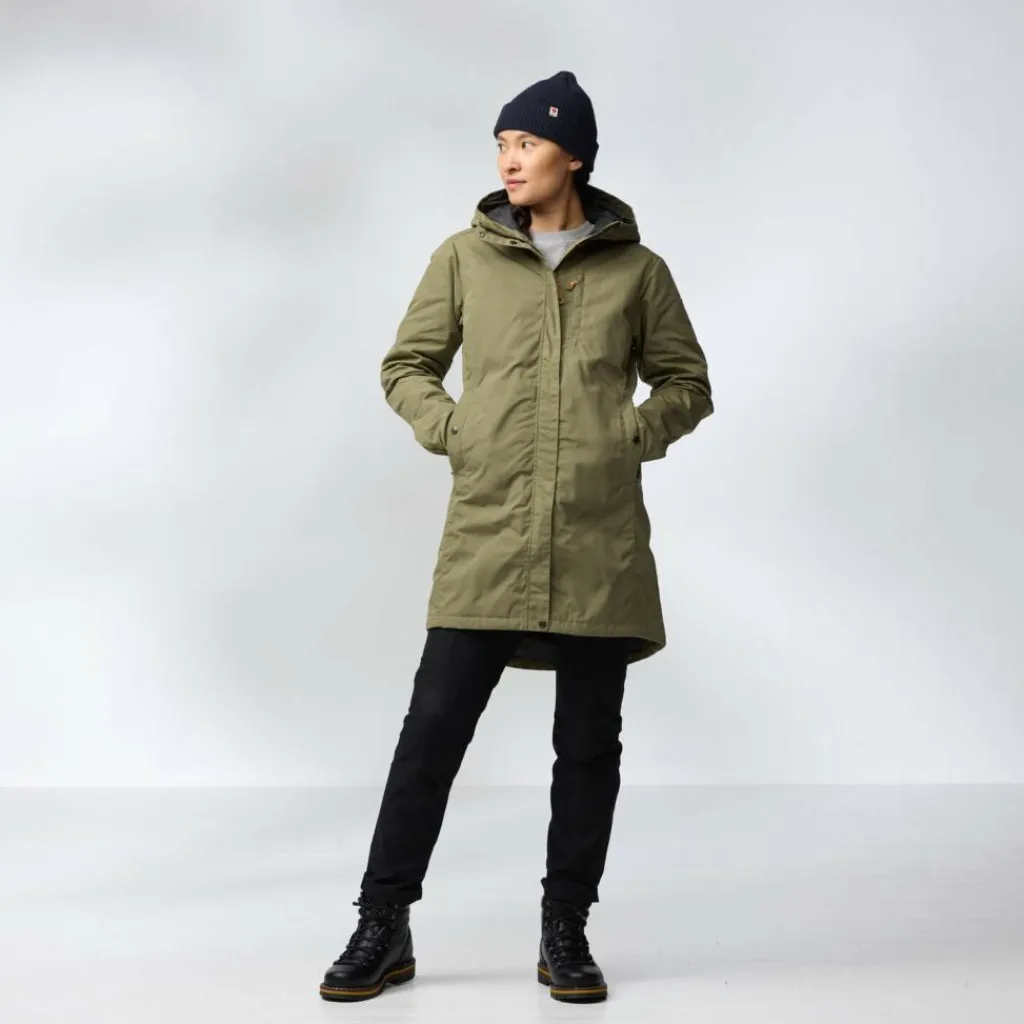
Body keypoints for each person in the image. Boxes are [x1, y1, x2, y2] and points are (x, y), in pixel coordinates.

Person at [319, 70, 713, 1005]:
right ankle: (383, 921)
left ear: (572, 155)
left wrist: (628, 436)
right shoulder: (464, 257)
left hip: (597, 540)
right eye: (501, 143)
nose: (508, 158)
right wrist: (457, 431)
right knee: (431, 733)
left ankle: (565, 928)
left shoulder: (638, 273)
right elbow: (406, 365)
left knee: (588, 746)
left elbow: (687, 384)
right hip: (488, 533)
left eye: (527, 143)